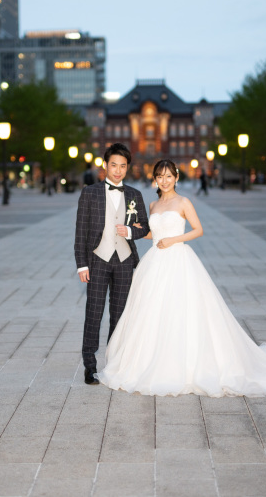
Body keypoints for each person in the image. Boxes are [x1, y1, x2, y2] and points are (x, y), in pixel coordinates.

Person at [98, 159, 266, 397]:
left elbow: (198, 230)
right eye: (160, 177)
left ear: (176, 178)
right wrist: (129, 231)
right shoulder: (152, 206)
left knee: (182, 310)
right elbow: (152, 232)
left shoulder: (183, 202)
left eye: (169, 177)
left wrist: (174, 239)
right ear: (155, 179)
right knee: (151, 311)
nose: (164, 181)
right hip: (154, 262)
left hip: (178, 259)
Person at [74, 143, 149, 385]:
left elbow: (145, 228)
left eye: (122, 166)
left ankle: (115, 362)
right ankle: (89, 365)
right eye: (113, 165)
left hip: (125, 260)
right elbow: (81, 232)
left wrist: (129, 230)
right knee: (94, 313)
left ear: (128, 168)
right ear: (105, 165)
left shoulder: (135, 195)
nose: (117, 170)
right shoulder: (90, 193)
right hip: (97, 259)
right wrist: (81, 264)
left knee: (119, 314)